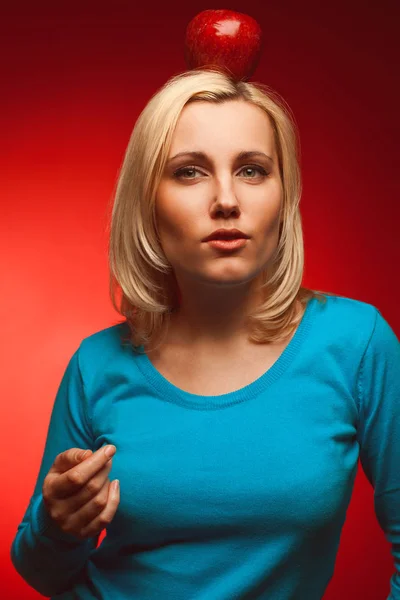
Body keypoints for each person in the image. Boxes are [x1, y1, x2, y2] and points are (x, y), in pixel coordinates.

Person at [10, 68, 400, 600]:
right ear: (148, 202)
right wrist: (57, 526)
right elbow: (40, 571)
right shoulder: (96, 364)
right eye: (190, 171)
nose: (226, 200)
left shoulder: (356, 345)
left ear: (284, 197)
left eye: (253, 170)